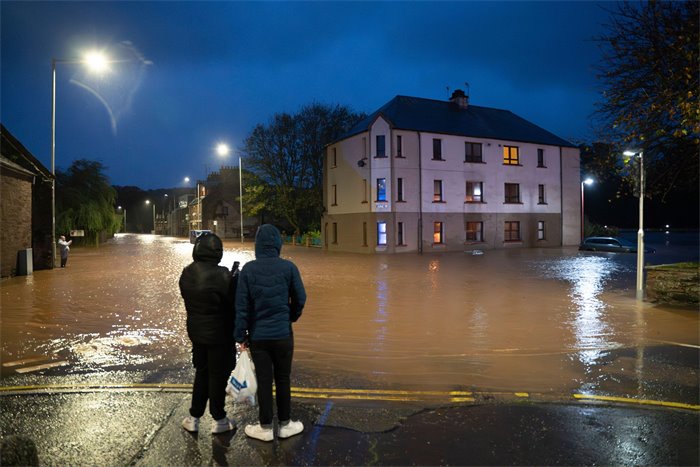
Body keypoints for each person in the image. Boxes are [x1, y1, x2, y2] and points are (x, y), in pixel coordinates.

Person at [235, 224, 306, 441]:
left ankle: (265, 428)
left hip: (259, 337)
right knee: (283, 378)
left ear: (257, 245)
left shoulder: (248, 270)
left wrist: (240, 336)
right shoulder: (289, 268)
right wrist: (290, 317)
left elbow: (241, 307)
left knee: (264, 380)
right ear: (277, 244)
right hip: (283, 334)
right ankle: (285, 425)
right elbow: (300, 298)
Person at [179, 232, 238, 434]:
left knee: (202, 373)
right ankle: (219, 418)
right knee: (217, 375)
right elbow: (233, 304)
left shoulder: (187, 273)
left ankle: (194, 417)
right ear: (217, 252)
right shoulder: (223, 275)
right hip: (220, 335)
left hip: (196, 333)